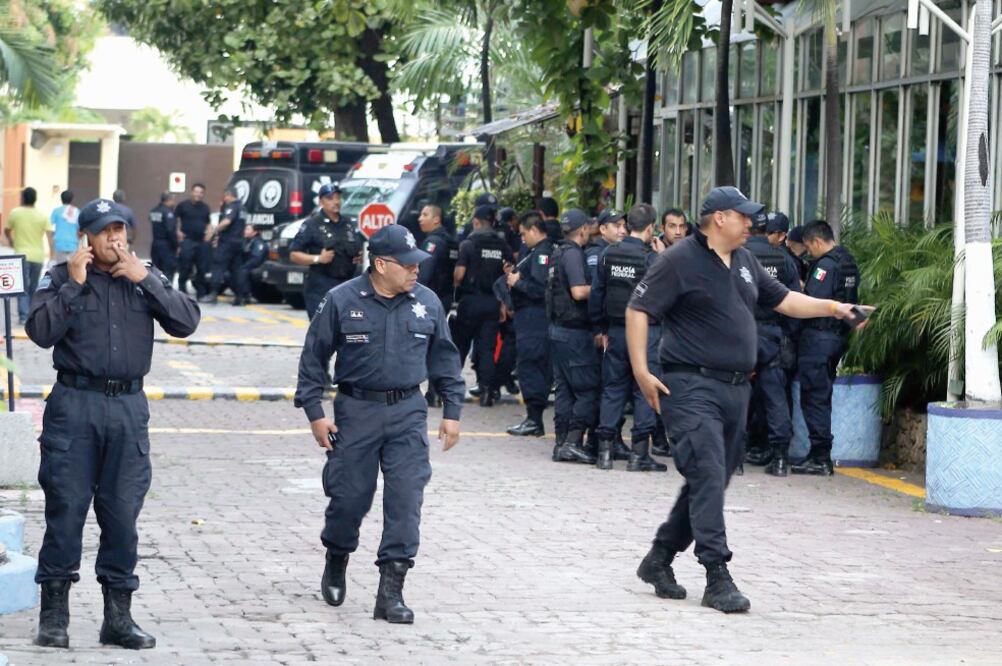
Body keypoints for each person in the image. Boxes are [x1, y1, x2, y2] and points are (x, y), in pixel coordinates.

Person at [626, 186, 871, 613]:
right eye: (743, 216)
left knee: (711, 478)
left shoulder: (744, 260)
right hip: (690, 385)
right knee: (707, 470)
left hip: (736, 388)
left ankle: (659, 557)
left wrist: (834, 307)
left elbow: (785, 300)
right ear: (720, 218)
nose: (751, 224)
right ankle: (716, 574)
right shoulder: (679, 260)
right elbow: (637, 309)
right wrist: (641, 372)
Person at [26, 198, 200, 650]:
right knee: (66, 512)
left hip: (127, 408)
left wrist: (146, 280)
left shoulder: (144, 277)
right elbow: (40, 332)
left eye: (119, 230)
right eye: (104, 231)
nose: (113, 239)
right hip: (75, 407)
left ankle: (118, 618)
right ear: (86, 237)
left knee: (122, 515)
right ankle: (54, 616)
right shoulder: (61, 278)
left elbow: (187, 322)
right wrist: (75, 285)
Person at [294, 224, 464, 625]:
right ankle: (337, 554)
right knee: (350, 497)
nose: (416, 270)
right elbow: (313, 358)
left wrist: (452, 411)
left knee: (406, 498)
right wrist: (315, 413)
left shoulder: (427, 302)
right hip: (357, 411)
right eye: (407, 264)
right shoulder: (341, 299)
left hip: (408, 411)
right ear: (382, 264)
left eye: (417, 263)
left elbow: (445, 358)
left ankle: (391, 591)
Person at [589, 203, 666, 472]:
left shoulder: (608, 254)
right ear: (650, 228)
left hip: (615, 332)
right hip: (646, 333)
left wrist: (600, 328)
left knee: (613, 389)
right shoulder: (652, 259)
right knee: (645, 390)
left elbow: (597, 294)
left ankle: (605, 453)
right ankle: (639, 455)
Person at [792, 220, 861, 476]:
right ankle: (818, 454)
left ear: (817, 241)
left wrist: (800, 290)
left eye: (809, 247)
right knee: (822, 394)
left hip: (818, 339)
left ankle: (820, 457)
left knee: (814, 397)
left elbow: (812, 301)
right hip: (838, 338)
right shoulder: (847, 261)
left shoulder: (825, 266)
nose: (809, 252)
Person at [744, 211, 802, 476]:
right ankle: (779, 458)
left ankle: (735, 458)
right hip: (771, 334)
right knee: (776, 397)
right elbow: (794, 299)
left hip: (740, 334)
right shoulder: (784, 259)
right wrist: (785, 333)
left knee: (734, 393)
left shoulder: (737, 255)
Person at [547, 208, 602, 464]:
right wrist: (602, 288)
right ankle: (572, 442)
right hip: (574, 333)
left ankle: (562, 443)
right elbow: (579, 292)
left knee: (565, 390)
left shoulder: (558, 252)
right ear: (582, 230)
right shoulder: (573, 254)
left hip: (559, 330)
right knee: (587, 389)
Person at [452, 205, 511, 406]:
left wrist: (455, 284)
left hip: (470, 301)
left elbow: (459, 275)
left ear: (476, 222)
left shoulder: (469, 244)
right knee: (486, 349)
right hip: (493, 302)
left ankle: (449, 388)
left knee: (461, 346)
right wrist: (503, 303)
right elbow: (509, 273)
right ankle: (486, 392)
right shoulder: (502, 245)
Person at [506, 212, 555, 437]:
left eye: (524, 234)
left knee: (531, 366)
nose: (523, 238)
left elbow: (539, 289)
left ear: (534, 230)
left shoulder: (542, 253)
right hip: (532, 320)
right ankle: (533, 418)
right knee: (533, 366)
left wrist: (517, 282)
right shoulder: (537, 252)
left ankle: (534, 419)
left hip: (534, 320)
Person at [289, 183, 363, 318]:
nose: (336, 201)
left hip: (346, 284)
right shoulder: (312, 224)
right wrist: (318, 258)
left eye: (338, 197)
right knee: (322, 327)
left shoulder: (348, 223)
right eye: (330, 198)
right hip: (321, 286)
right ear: (321, 201)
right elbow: (294, 254)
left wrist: (358, 256)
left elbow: (356, 247)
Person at [417, 203, 458, 407]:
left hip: (430, 299)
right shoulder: (452, 242)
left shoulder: (433, 242)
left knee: (428, 346)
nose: (420, 218)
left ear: (436, 219)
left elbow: (425, 273)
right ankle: (436, 391)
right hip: (445, 298)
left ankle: (433, 392)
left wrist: (414, 294)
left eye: (425, 215)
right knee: (437, 344)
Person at [5, 187, 53, 325]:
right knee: (34, 287)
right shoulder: (42, 215)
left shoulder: (15, 213)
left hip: (20, 255)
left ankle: (23, 316)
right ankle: (32, 314)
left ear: (23, 198)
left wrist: (12, 241)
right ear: (35, 199)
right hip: (37, 256)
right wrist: (51, 254)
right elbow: (49, 236)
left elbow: (7, 230)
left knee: (22, 287)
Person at [201, 188, 246, 304]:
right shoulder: (242, 207)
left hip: (227, 243)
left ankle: (213, 294)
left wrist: (215, 230)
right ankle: (240, 297)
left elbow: (227, 221)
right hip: (238, 243)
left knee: (217, 267)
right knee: (237, 270)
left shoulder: (232, 207)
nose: (224, 199)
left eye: (225, 196)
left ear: (229, 195)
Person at [174, 183, 212, 298]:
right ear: (192, 192)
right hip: (187, 241)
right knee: (185, 266)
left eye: (201, 192)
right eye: (196, 192)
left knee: (201, 267)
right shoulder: (183, 206)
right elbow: (176, 220)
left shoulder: (205, 208)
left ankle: (201, 293)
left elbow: (208, 223)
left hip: (201, 242)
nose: (198, 194)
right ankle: (182, 289)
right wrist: (178, 231)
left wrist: (209, 234)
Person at [232, 224, 268, 306]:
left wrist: (243, 267)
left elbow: (256, 259)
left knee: (242, 272)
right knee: (229, 273)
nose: (245, 231)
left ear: (254, 232)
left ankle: (244, 296)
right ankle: (240, 294)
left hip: (257, 267)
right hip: (246, 266)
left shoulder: (258, 243)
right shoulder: (246, 241)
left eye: (247, 229)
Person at [149, 193, 178, 285]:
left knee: (156, 269)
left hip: (155, 243)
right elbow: (170, 231)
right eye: (173, 200)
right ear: (169, 200)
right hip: (166, 245)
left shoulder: (154, 211)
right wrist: (176, 244)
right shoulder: (168, 213)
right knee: (168, 270)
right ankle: (166, 290)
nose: (174, 203)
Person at [50, 190, 79, 264]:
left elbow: (49, 225)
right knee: (72, 267)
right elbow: (80, 229)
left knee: (60, 267)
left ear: (61, 199)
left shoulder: (56, 211)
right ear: (72, 199)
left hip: (59, 243)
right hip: (73, 243)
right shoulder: (77, 211)